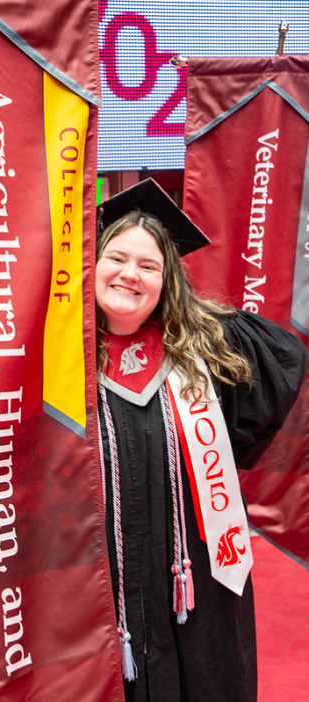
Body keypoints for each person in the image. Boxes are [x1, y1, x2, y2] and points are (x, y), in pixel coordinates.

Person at [95, 179, 308, 702]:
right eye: (117, 258)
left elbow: (284, 361)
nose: (130, 274)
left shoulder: (201, 348)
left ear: (168, 282)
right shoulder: (55, 357)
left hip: (192, 568)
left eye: (150, 267)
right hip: (98, 574)